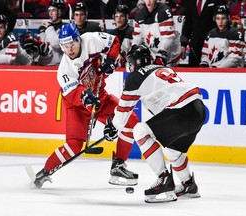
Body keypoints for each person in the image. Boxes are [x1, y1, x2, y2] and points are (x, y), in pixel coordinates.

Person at [32, 23, 139, 189]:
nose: (70, 49)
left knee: (130, 120)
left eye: (72, 44)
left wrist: (111, 60)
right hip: (77, 107)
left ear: (78, 40)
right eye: (65, 46)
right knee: (74, 145)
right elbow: (74, 94)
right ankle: (45, 172)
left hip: (100, 97)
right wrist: (87, 98)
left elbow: (115, 42)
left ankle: (118, 165)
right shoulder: (64, 70)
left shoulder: (91, 40)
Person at [104, 44, 205, 203]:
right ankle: (188, 185)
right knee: (173, 150)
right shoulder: (159, 69)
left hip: (181, 108)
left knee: (140, 131)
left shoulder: (135, 77)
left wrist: (112, 126)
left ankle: (164, 179)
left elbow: (123, 112)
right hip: (198, 109)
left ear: (134, 63)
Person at [131, 0, 181, 67]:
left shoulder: (164, 11)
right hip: (155, 56)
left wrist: (161, 53)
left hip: (171, 57)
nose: (148, 1)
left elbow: (168, 37)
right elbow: (137, 37)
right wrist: (133, 48)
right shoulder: (139, 15)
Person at [180, 0, 226, 67]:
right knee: (193, 70)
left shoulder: (217, 1)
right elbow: (187, 24)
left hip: (211, 44)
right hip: (195, 45)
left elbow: (221, 21)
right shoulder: (190, 2)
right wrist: (183, 45)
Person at [24, 0, 66, 65]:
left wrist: (49, 28)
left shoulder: (65, 27)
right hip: (42, 65)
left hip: (57, 66)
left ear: (60, 12)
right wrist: (34, 49)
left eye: (53, 10)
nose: (50, 13)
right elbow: (42, 48)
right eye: (49, 10)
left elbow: (56, 44)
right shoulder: (42, 27)